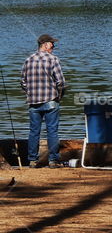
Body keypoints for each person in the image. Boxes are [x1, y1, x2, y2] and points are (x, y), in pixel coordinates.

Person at [20, 34, 66, 168]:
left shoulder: (28, 60)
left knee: (34, 131)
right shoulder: (53, 59)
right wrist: (59, 96)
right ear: (45, 44)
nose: (54, 47)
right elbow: (61, 82)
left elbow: (23, 82)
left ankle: (32, 160)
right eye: (52, 44)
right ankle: (53, 161)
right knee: (52, 131)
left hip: (33, 102)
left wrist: (31, 93)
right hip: (51, 100)